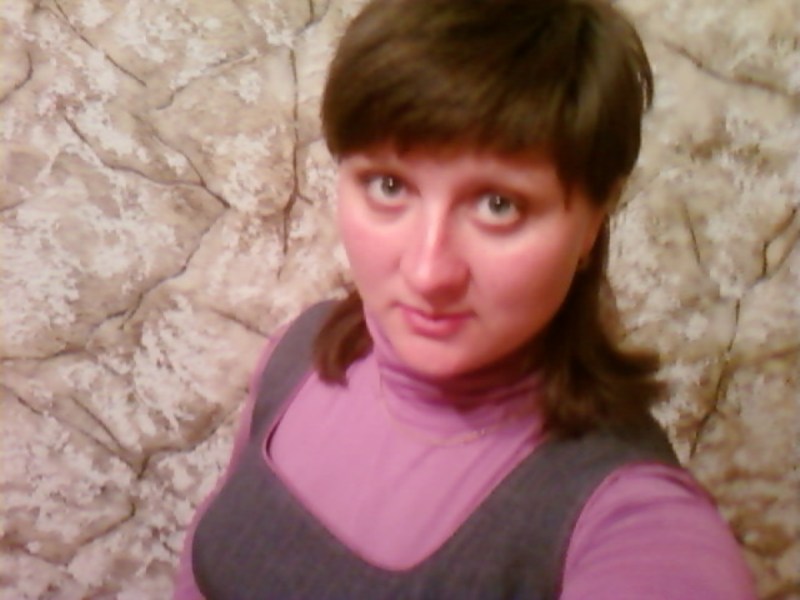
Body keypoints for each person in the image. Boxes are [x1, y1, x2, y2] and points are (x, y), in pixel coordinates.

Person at [174, 0, 757, 597]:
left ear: (593, 219)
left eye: (499, 205)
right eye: (389, 185)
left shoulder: (629, 522)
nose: (429, 272)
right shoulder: (298, 351)